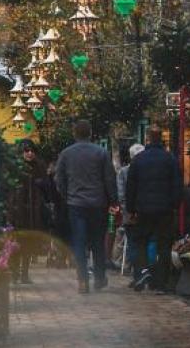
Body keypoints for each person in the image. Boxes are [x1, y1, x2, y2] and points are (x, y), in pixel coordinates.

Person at [55, 120, 118, 294]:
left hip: (76, 204)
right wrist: (113, 201)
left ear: (75, 133)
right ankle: (99, 277)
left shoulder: (66, 154)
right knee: (97, 241)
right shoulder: (101, 153)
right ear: (90, 133)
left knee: (79, 243)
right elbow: (109, 179)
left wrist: (67, 196)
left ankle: (82, 280)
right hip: (98, 204)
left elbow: (59, 180)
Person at [125, 125, 181, 292]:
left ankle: (142, 272)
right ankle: (161, 283)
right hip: (165, 209)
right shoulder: (170, 159)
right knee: (163, 245)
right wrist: (174, 205)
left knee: (140, 241)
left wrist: (131, 208)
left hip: (143, 209)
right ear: (161, 139)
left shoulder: (138, 160)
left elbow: (131, 186)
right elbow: (176, 185)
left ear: (148, 139)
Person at [7, 140, 47, 284]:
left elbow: (46, 186)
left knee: (28, 244)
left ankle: (24, 273)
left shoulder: (40, 166)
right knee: (15, 244)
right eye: (26, 150)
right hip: (17, 210)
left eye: (32, 150)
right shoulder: (14, 167)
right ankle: (14, 272)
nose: (30, 153)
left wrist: (41, 184)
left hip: (33, 211)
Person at [116, 143, 144, 275]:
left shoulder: (124, 172)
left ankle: (137, 273)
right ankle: (144, 271)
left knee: (133, 243)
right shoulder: (147, 170)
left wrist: (126, 210)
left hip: (130, 214)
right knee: (143, 242)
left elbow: (121, 195)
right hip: (145, 212)